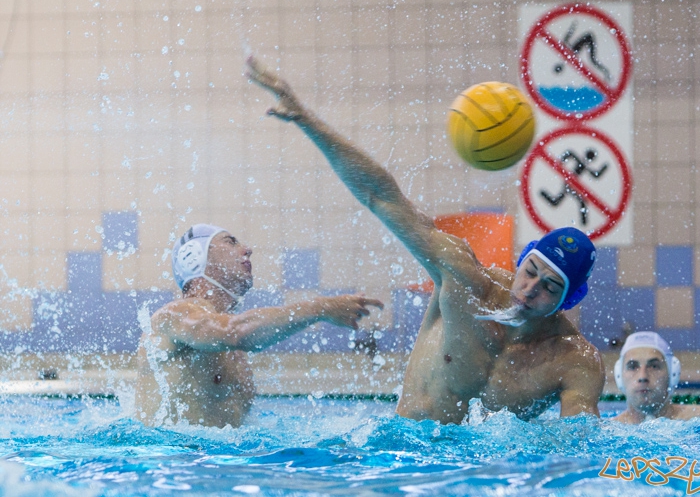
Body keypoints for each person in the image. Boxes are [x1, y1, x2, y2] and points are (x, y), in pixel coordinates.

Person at [246, 57, 604, 423]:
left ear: (568, 298)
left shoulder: (574, 360)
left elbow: (579, 436)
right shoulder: (465, 280)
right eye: (530, 271)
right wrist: (306, 119)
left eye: (549, 286)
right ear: (522, 259)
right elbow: (380, 196)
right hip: (407, 455)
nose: (529, 289)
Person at [134, 224, 383, 428]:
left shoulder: (235, 348)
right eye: (231, 241)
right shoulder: (175, 315)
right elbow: (234, 331)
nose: (248, 249)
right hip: (177, 469)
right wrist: (320, 308)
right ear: (194, 257)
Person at [611, 331, 700, 423]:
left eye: (654, 366)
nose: (643, 376)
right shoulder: (608, 430)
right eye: (633, 367)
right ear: (619, 375)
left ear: (673, 373)